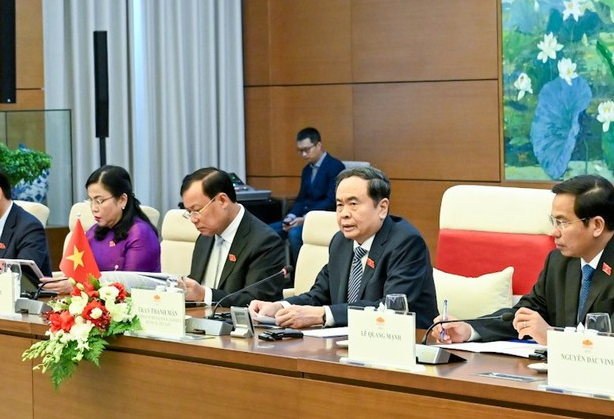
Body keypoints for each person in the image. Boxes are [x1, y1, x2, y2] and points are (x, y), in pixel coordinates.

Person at [433, 174, 614, 355]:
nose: (554, 232)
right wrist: (469, 329)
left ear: (597, 225)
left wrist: (553, 336)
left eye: (563, 222)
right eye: (553, 221)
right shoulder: (559, 260)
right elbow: (525, 314)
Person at [253, 166, 437, 330]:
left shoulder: (406, 243)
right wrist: (281, 306)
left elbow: (391, 309)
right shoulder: (341, 241)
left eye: (353, 204)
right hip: (350, 341)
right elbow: (319, 294)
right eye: (339, 205)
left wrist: (323, 315)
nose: (344, 214)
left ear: (382, 208)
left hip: (407, 343)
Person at [181, 166, 288, 308]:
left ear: (222, 200)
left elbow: (256, 301)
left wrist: (204, 295)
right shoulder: (205, 237)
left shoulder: (265, 242)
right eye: (189, 212)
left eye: (196, 210)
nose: (193, 219)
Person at [59, 165, 161, 276]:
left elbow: (130, 284)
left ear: (122, 200)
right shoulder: (94, 231)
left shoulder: (140, 233)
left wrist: (82, 284)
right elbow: (77, 272)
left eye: (99, 201)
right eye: (91, 200)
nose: (94, 208)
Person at [281, 128, 345, 262]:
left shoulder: (335, 166)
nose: (304, 154)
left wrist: (306, 218)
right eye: (300, 151)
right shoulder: (306, 170)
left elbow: (331, 201)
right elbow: (301, 199)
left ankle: (301, 275)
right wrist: (291, 216)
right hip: (302, 218)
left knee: (294, 234)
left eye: (307, 149)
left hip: (322, 218)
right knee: (269, 231)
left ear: (319, 145)